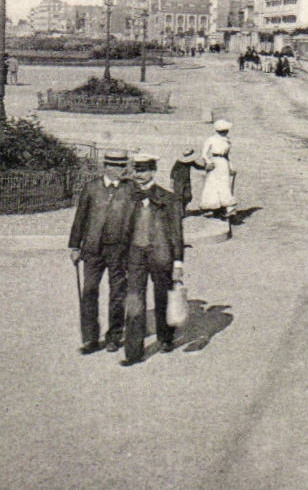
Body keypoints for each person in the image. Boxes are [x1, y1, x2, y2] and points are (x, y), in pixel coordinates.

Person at [68, 150, 137, 355]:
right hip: (93, 250)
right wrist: (74, 246)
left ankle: (114, 336)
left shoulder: (131, 189)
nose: (120, 170)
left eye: (122, 165)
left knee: (117, 294)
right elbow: (80, 219)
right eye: (115, 166)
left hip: (119, 250)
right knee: (89, 291)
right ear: (106, 167)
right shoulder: (91, 188)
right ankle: (90, 338)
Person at [119, 154, 185, 365]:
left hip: (161, 256)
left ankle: (165, 337)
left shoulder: (168, 198)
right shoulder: (128, 197)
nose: (140, 175)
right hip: (135, 255)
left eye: (145, 170)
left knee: (162, 298)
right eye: (137, 170)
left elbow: (176, 233)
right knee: (135, 301)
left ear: (154, 171)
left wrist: (178, 263)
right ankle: (133, 352)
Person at [198, 120, 237, 220]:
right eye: (223, 130)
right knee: (213, 184)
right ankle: (213, 207)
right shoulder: (211, 140)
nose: (225, 132)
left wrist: (231, 167)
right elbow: (204, 153)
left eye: (226, 130)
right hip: (214, 163)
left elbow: (229, 155)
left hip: (224, 163)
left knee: (224, 184)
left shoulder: (227, 141)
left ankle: (226, 208)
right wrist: (209, 162)